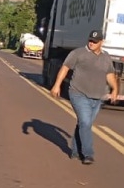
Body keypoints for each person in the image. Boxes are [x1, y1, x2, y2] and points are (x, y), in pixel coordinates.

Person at [50, 29, 119, 164]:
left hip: (97, 97)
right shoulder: (78, 53)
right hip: (78, 93)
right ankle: (88, 153)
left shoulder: (106, 57)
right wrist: (57, 85)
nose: (91, 43)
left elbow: (110, 75)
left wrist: (115, 89)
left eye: (95, 41)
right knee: (86, 123)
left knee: (83, 124)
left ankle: (75, 151)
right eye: (90, 40)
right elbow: (65, 68)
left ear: (101, 42)